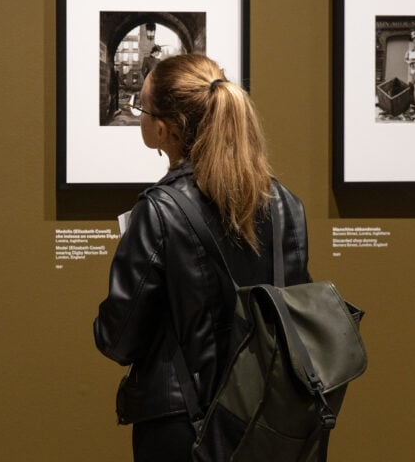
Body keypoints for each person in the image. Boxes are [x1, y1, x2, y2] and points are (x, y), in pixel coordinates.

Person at [93, 54, 312, 462]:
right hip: (270, 423)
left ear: (163, 128)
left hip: (183, 430)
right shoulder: (285, 205)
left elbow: (117, 339)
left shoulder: (159, 211)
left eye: (141, 106)